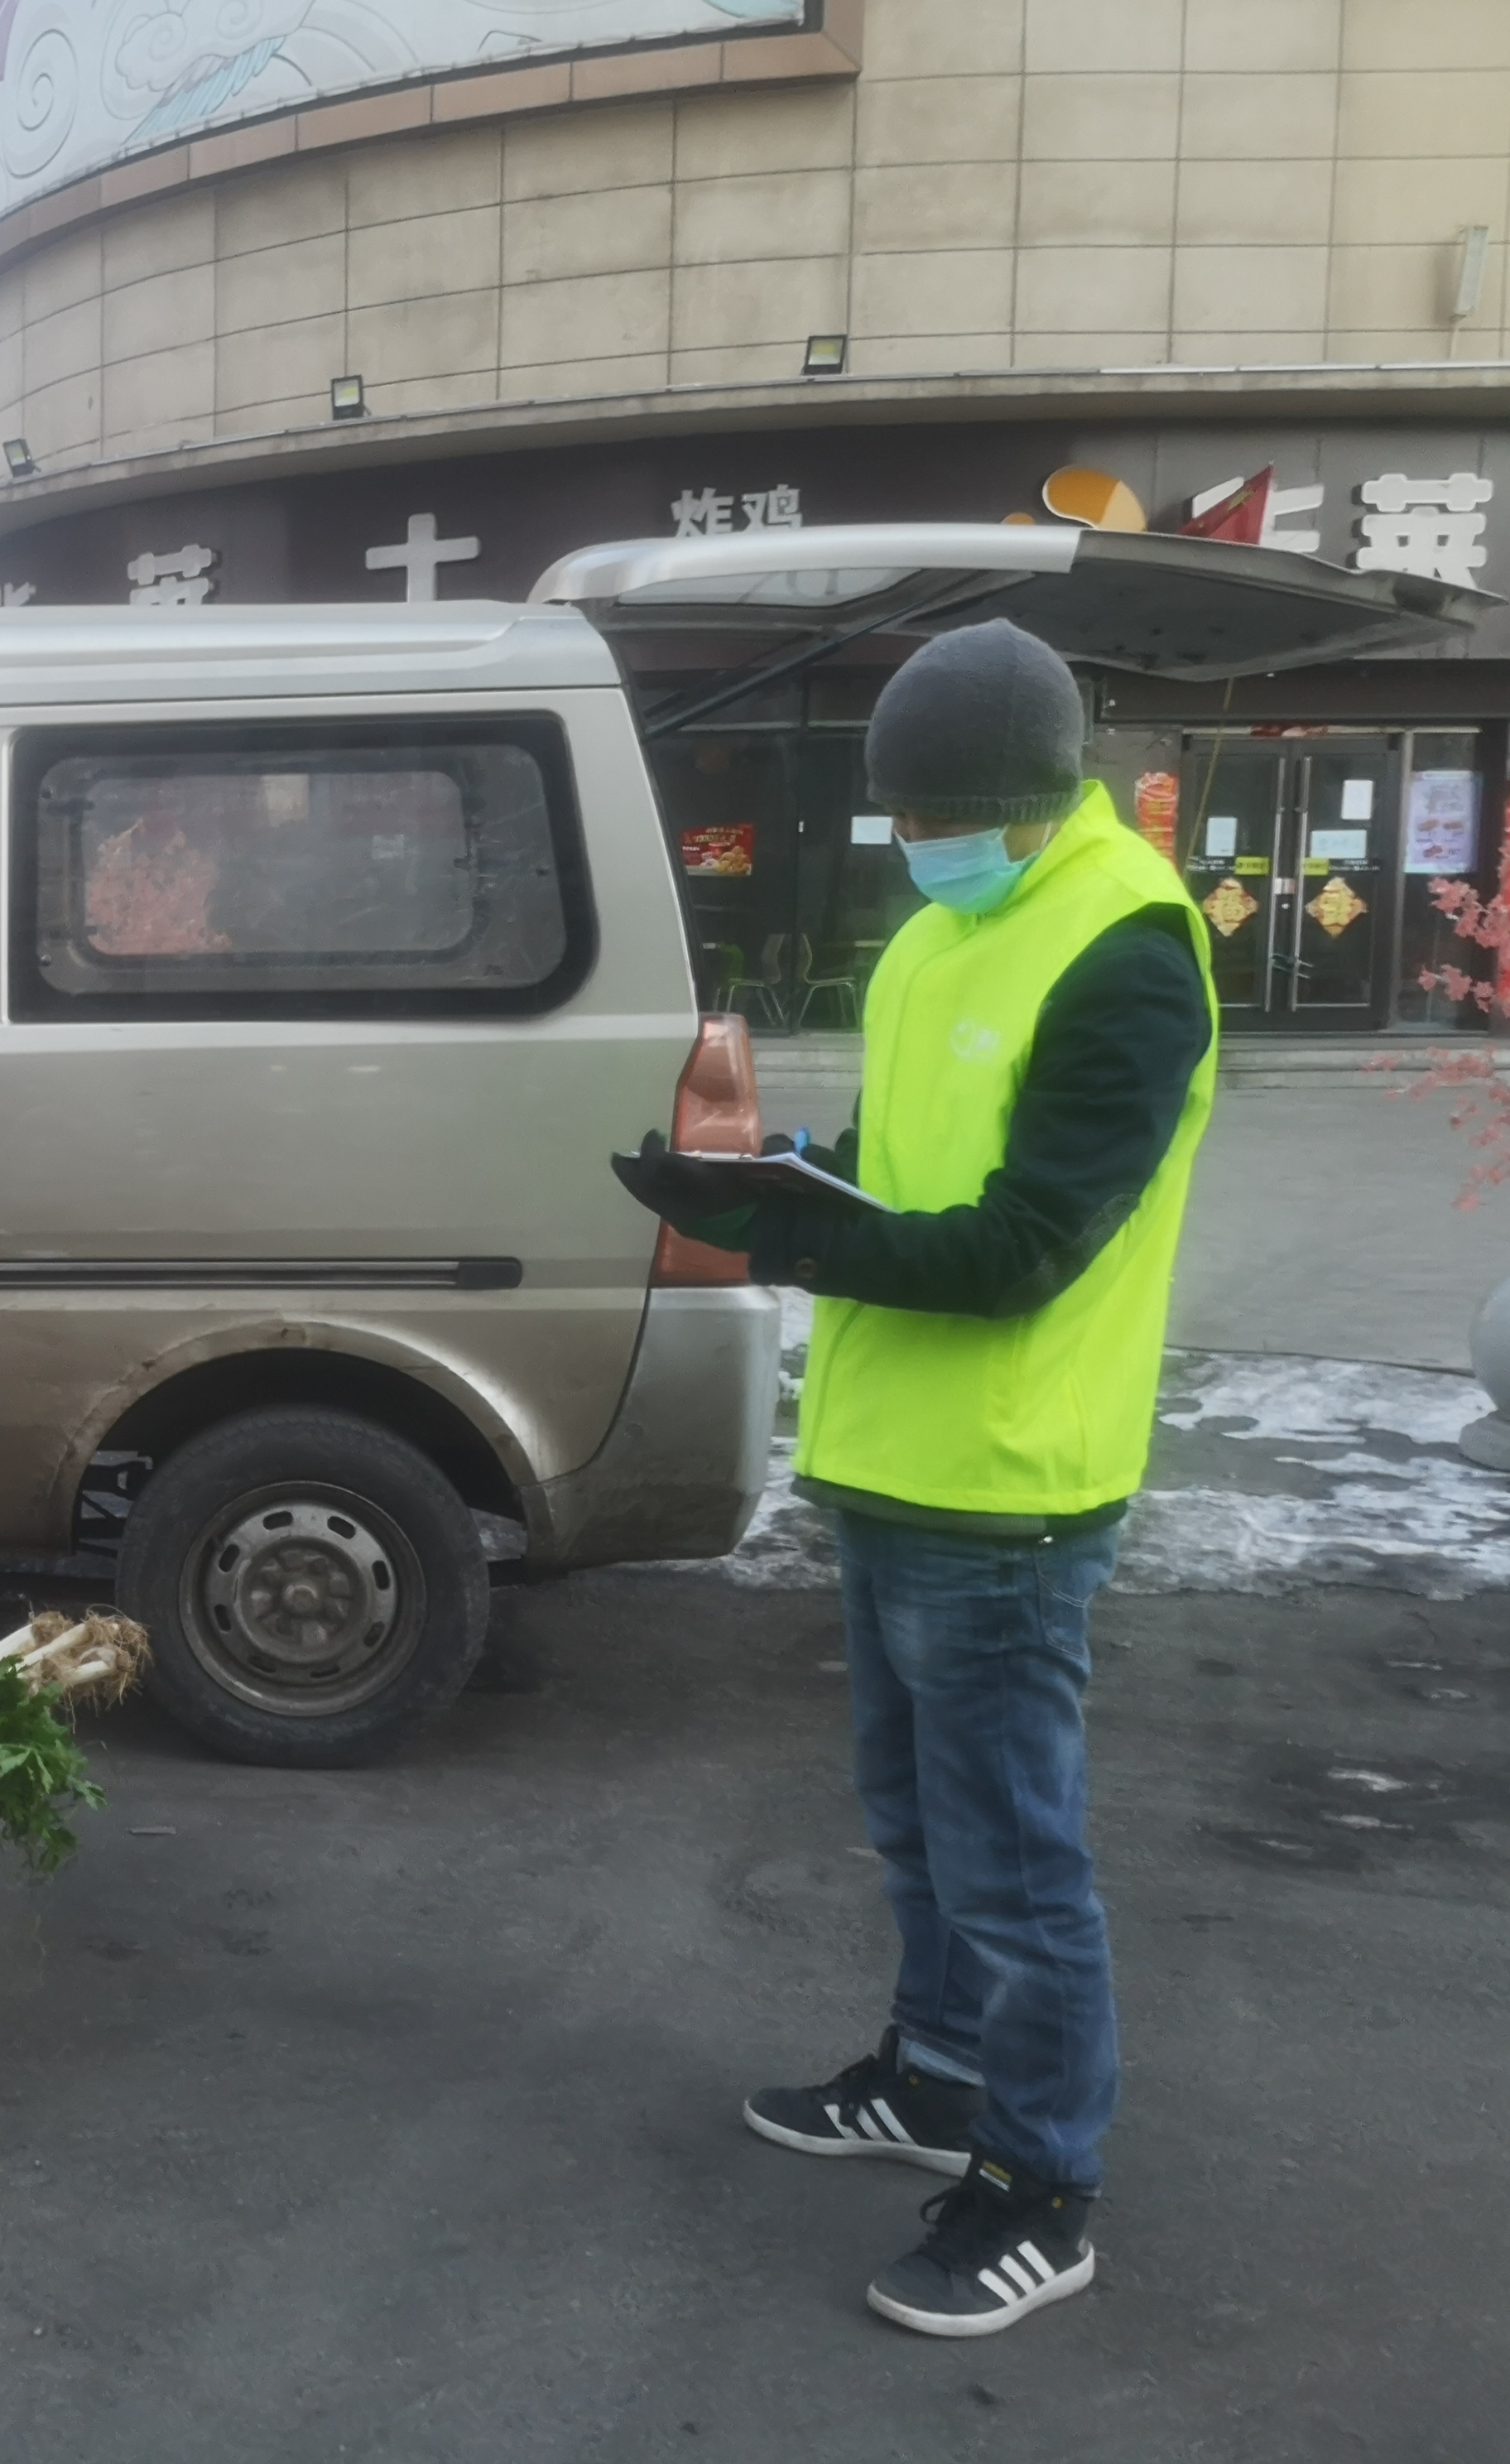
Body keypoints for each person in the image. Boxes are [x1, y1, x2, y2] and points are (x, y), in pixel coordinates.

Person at [610, 619, 1217, 2339]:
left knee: (1015, 1863)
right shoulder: (943, 936)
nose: (913, 843)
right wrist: (779, 1180)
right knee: (913, 1826)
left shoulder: (1125, 947)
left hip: (1012, 1486)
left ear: (1036, 802)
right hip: (887, 1459)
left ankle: (1040, 2183)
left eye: (938, 815)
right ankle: (937, 2077)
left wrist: (800, 1240)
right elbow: (916, 1167)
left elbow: (1026, 1244)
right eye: (899, 817)